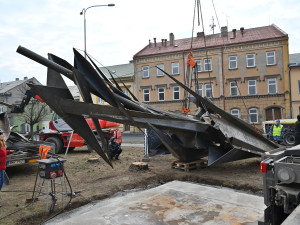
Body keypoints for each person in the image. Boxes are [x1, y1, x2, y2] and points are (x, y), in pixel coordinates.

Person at [0, 129, 13, 207]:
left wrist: (11, 151)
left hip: (2, 167)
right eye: (1, 134)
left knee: (1, 184)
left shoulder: (2, 144)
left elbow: (4, 152)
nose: (3, 135)